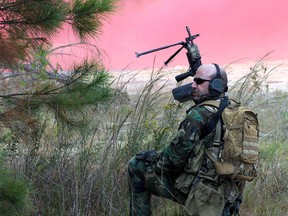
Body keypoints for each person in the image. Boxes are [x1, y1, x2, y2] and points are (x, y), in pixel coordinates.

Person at [128, 63, 244, 216]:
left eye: (199, 81)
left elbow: (172, 160)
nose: (193, 85)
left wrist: (150, 158)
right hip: (230, 192)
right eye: (194, 80)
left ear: (216, 85)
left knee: (137, 165)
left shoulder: (199, 114)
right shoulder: (234, 109)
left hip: (203, 192)